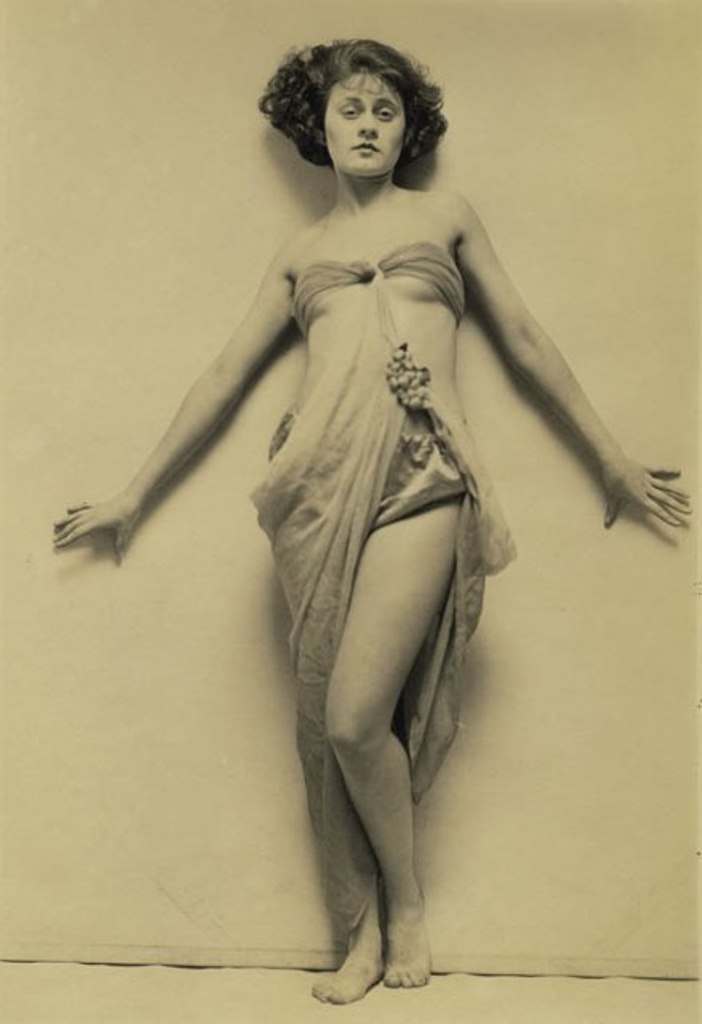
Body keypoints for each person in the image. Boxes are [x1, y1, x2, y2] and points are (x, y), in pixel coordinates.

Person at [52, 39, 691, 1006]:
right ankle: (357, 933)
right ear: (318, 126)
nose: (366, 125)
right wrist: (133, 495)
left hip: (423, 477)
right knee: (328, 718)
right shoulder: (298, 254)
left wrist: (609, 457)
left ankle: (408, 907)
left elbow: (524, 338)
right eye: (349, 109)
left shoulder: (445, 217)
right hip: (315, 488)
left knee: (356, 716)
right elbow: (223, 376)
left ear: (408, 130)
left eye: (384, 112)